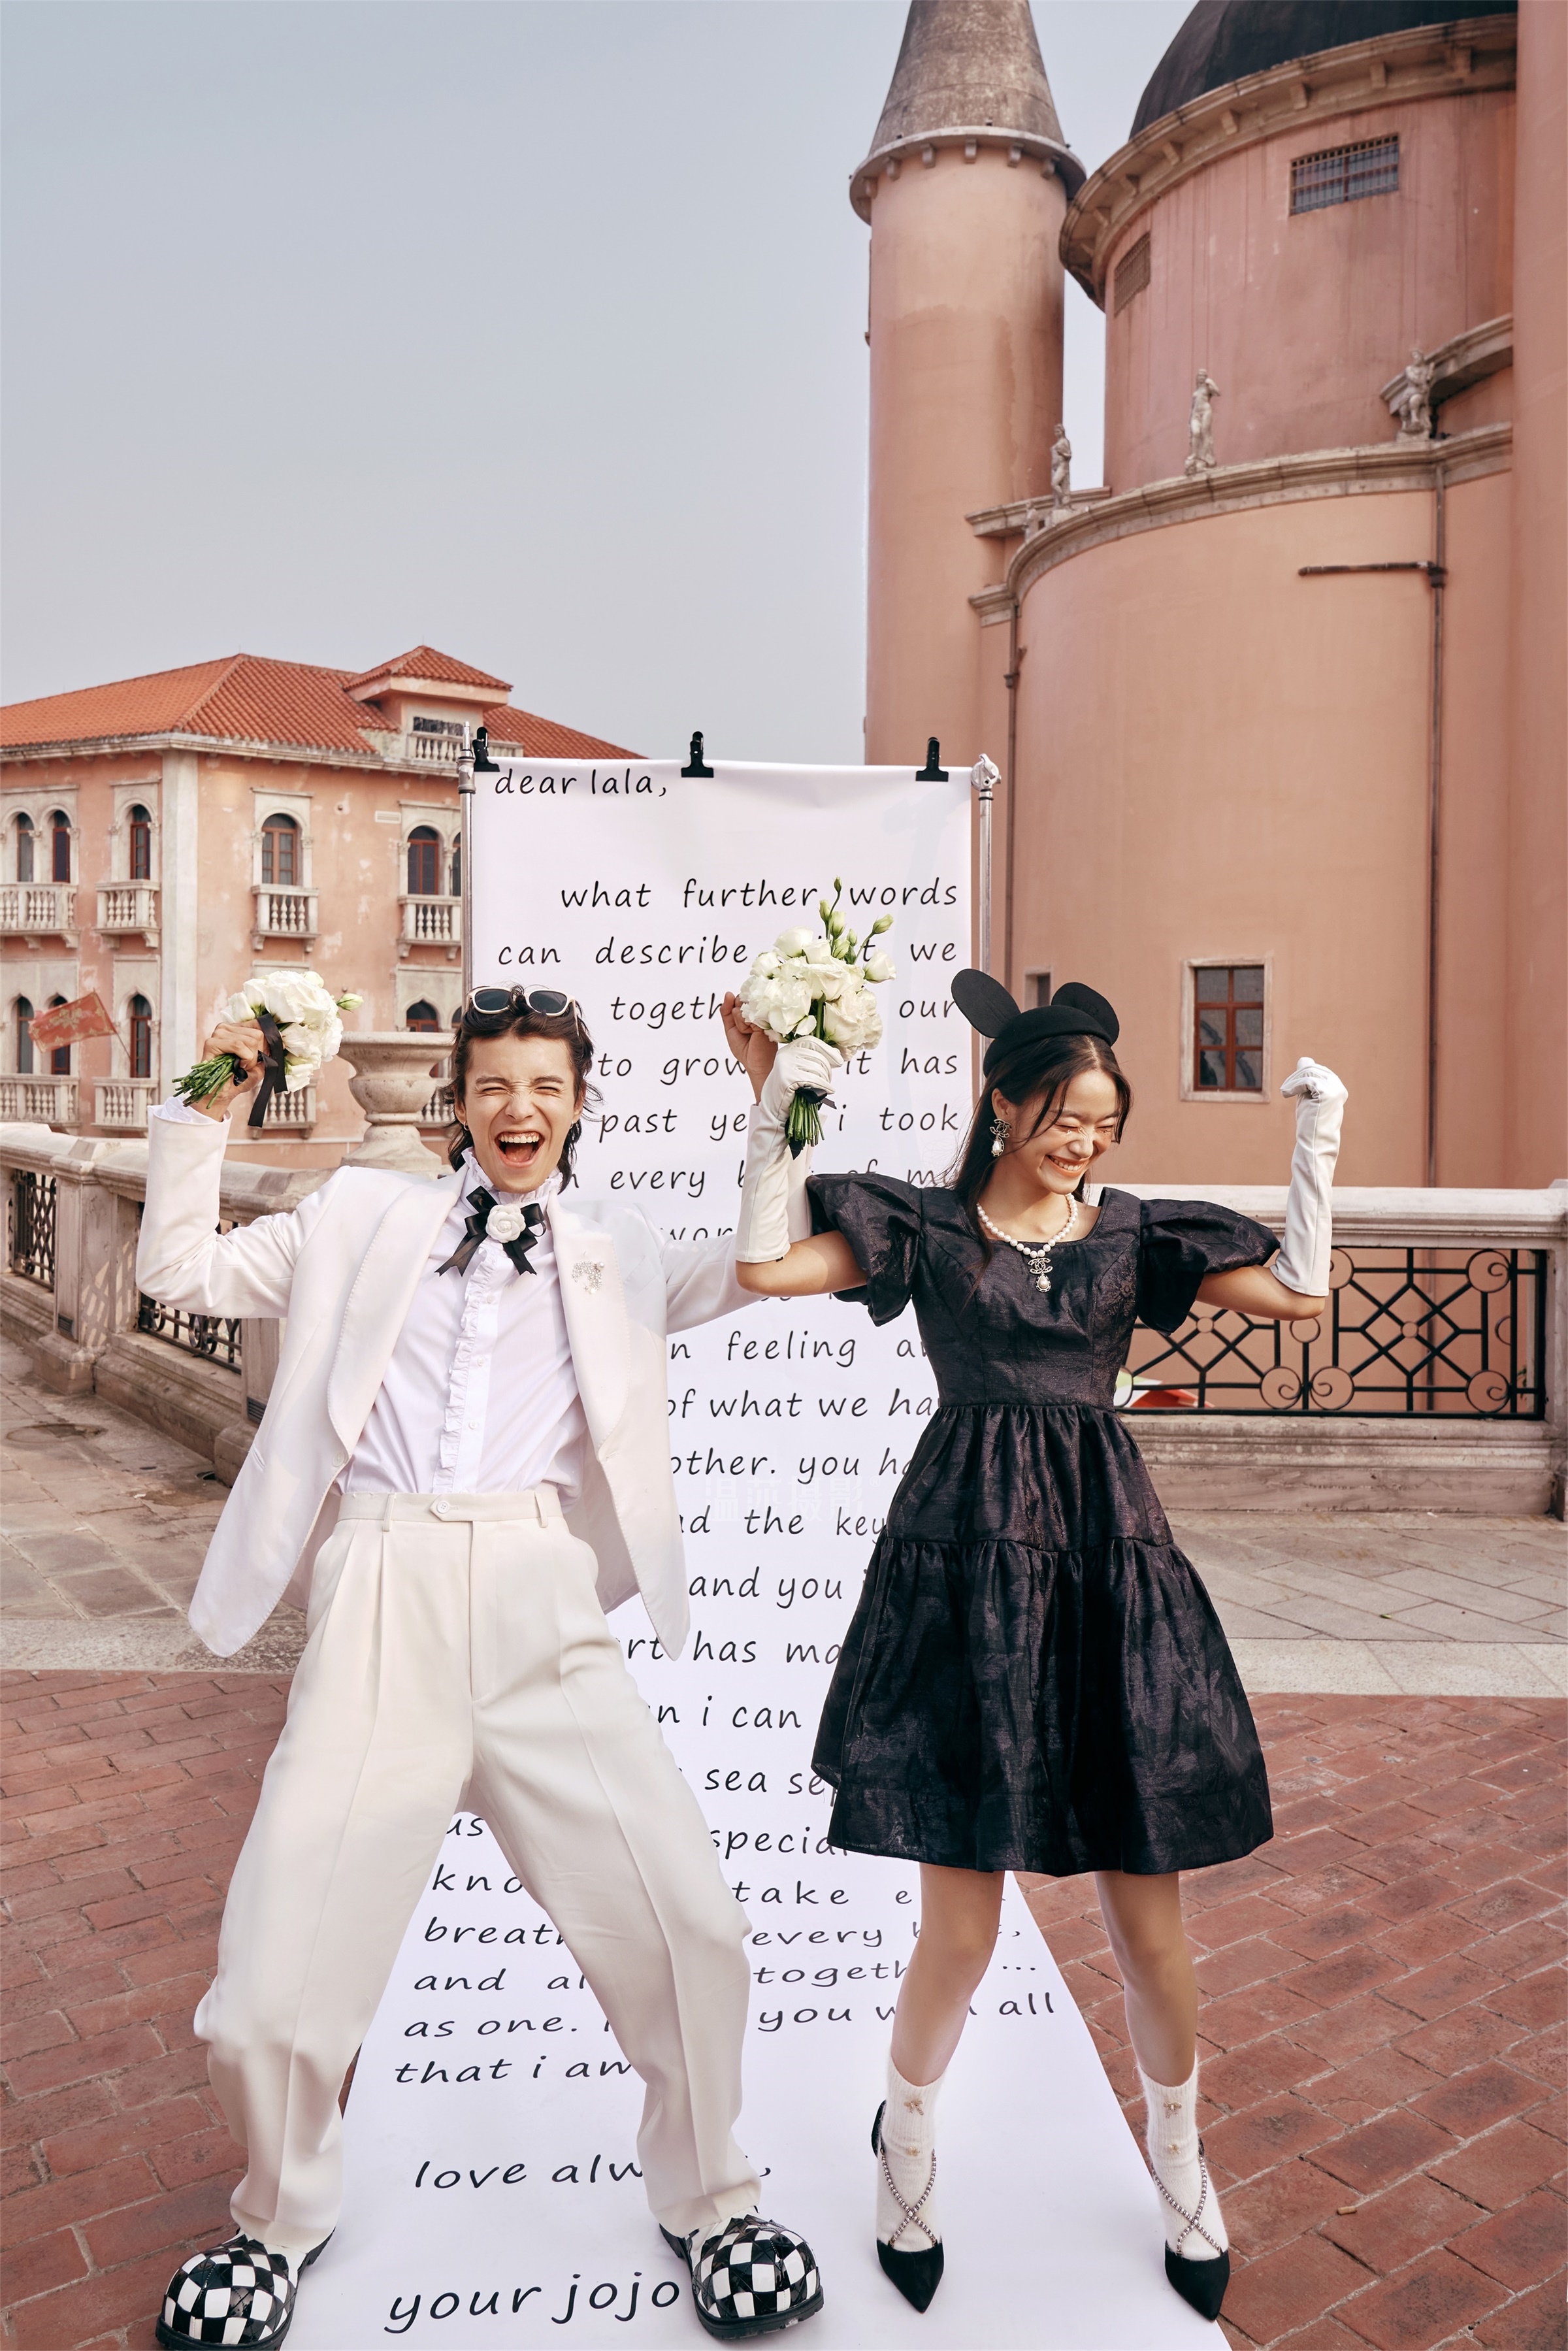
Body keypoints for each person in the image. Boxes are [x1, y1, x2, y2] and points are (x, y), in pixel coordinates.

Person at [142, 987, 825, 2350]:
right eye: (495, 1084)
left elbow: (763, 1260)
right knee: (270, 1985)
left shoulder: (623, 1246)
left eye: (547, 1086)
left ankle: (711, 2199)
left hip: (539, 1598)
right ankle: (277, 2218)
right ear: (455, 1101)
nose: (521, 1108)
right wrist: (210, 1096)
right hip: (380, 1593)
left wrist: (780, 1100)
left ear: (580, 1103)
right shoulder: (356, 1216)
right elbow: (180, 1273)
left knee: (689, 1925)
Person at [721, 973, 1347, 2325]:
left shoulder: (1130, 1236)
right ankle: (906, 2130)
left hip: (1106, 1572)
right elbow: (766, 1266)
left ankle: (1179, 2155)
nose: (1084, 1141)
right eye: (1065, 1116)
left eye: (1105, 1122)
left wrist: (1320, 1136)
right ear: (1002, 1104)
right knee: (961, 1927)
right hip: (963, 1575)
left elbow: (1301, 1293)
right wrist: (775, 1109)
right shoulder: (928, 1228)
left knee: (1151, 1926)